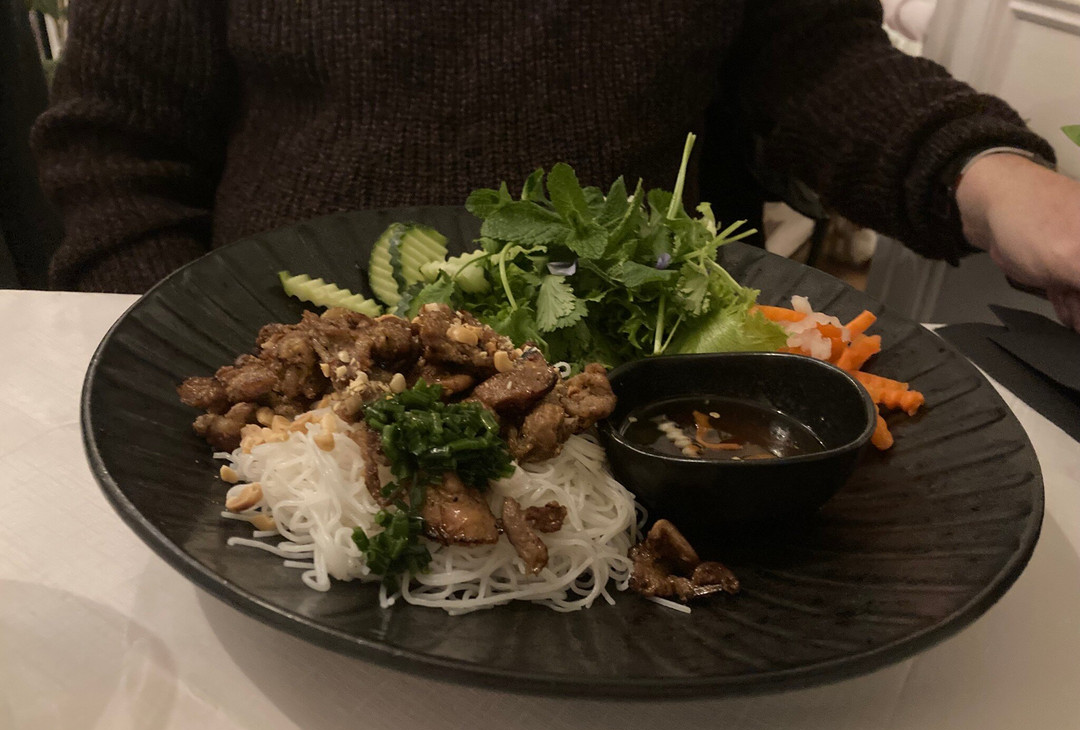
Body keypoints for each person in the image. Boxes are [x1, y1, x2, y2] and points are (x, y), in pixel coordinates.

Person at [30, 0, 1080, 330]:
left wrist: (991, 174)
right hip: (277, 355)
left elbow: (816, 60)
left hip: (637, 363)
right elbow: (116, 150)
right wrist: (188, 349)